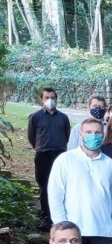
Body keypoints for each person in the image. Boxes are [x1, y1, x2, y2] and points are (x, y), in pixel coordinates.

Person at [48, 118, 112, 244]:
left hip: (102, 231)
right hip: (73, 231)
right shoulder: (65, 160)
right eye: (89, 132)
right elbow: (55, 195)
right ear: (81, 134)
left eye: (97, 133)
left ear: (103, 135)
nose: (93, 136)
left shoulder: (110, 164)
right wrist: (61, 227)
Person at [28, 87, 70, 227]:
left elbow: (66, 135)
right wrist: (41, 147)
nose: (50, 100)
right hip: (43, 155)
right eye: (46, 97)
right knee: (44, 186)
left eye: (52, 97)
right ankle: (46, 216)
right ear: (42, 99)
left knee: (61, 186)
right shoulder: (35, 117)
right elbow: (31, 136)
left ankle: (61, 215)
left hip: (59, 155)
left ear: (56, 99)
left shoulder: (63, 118)